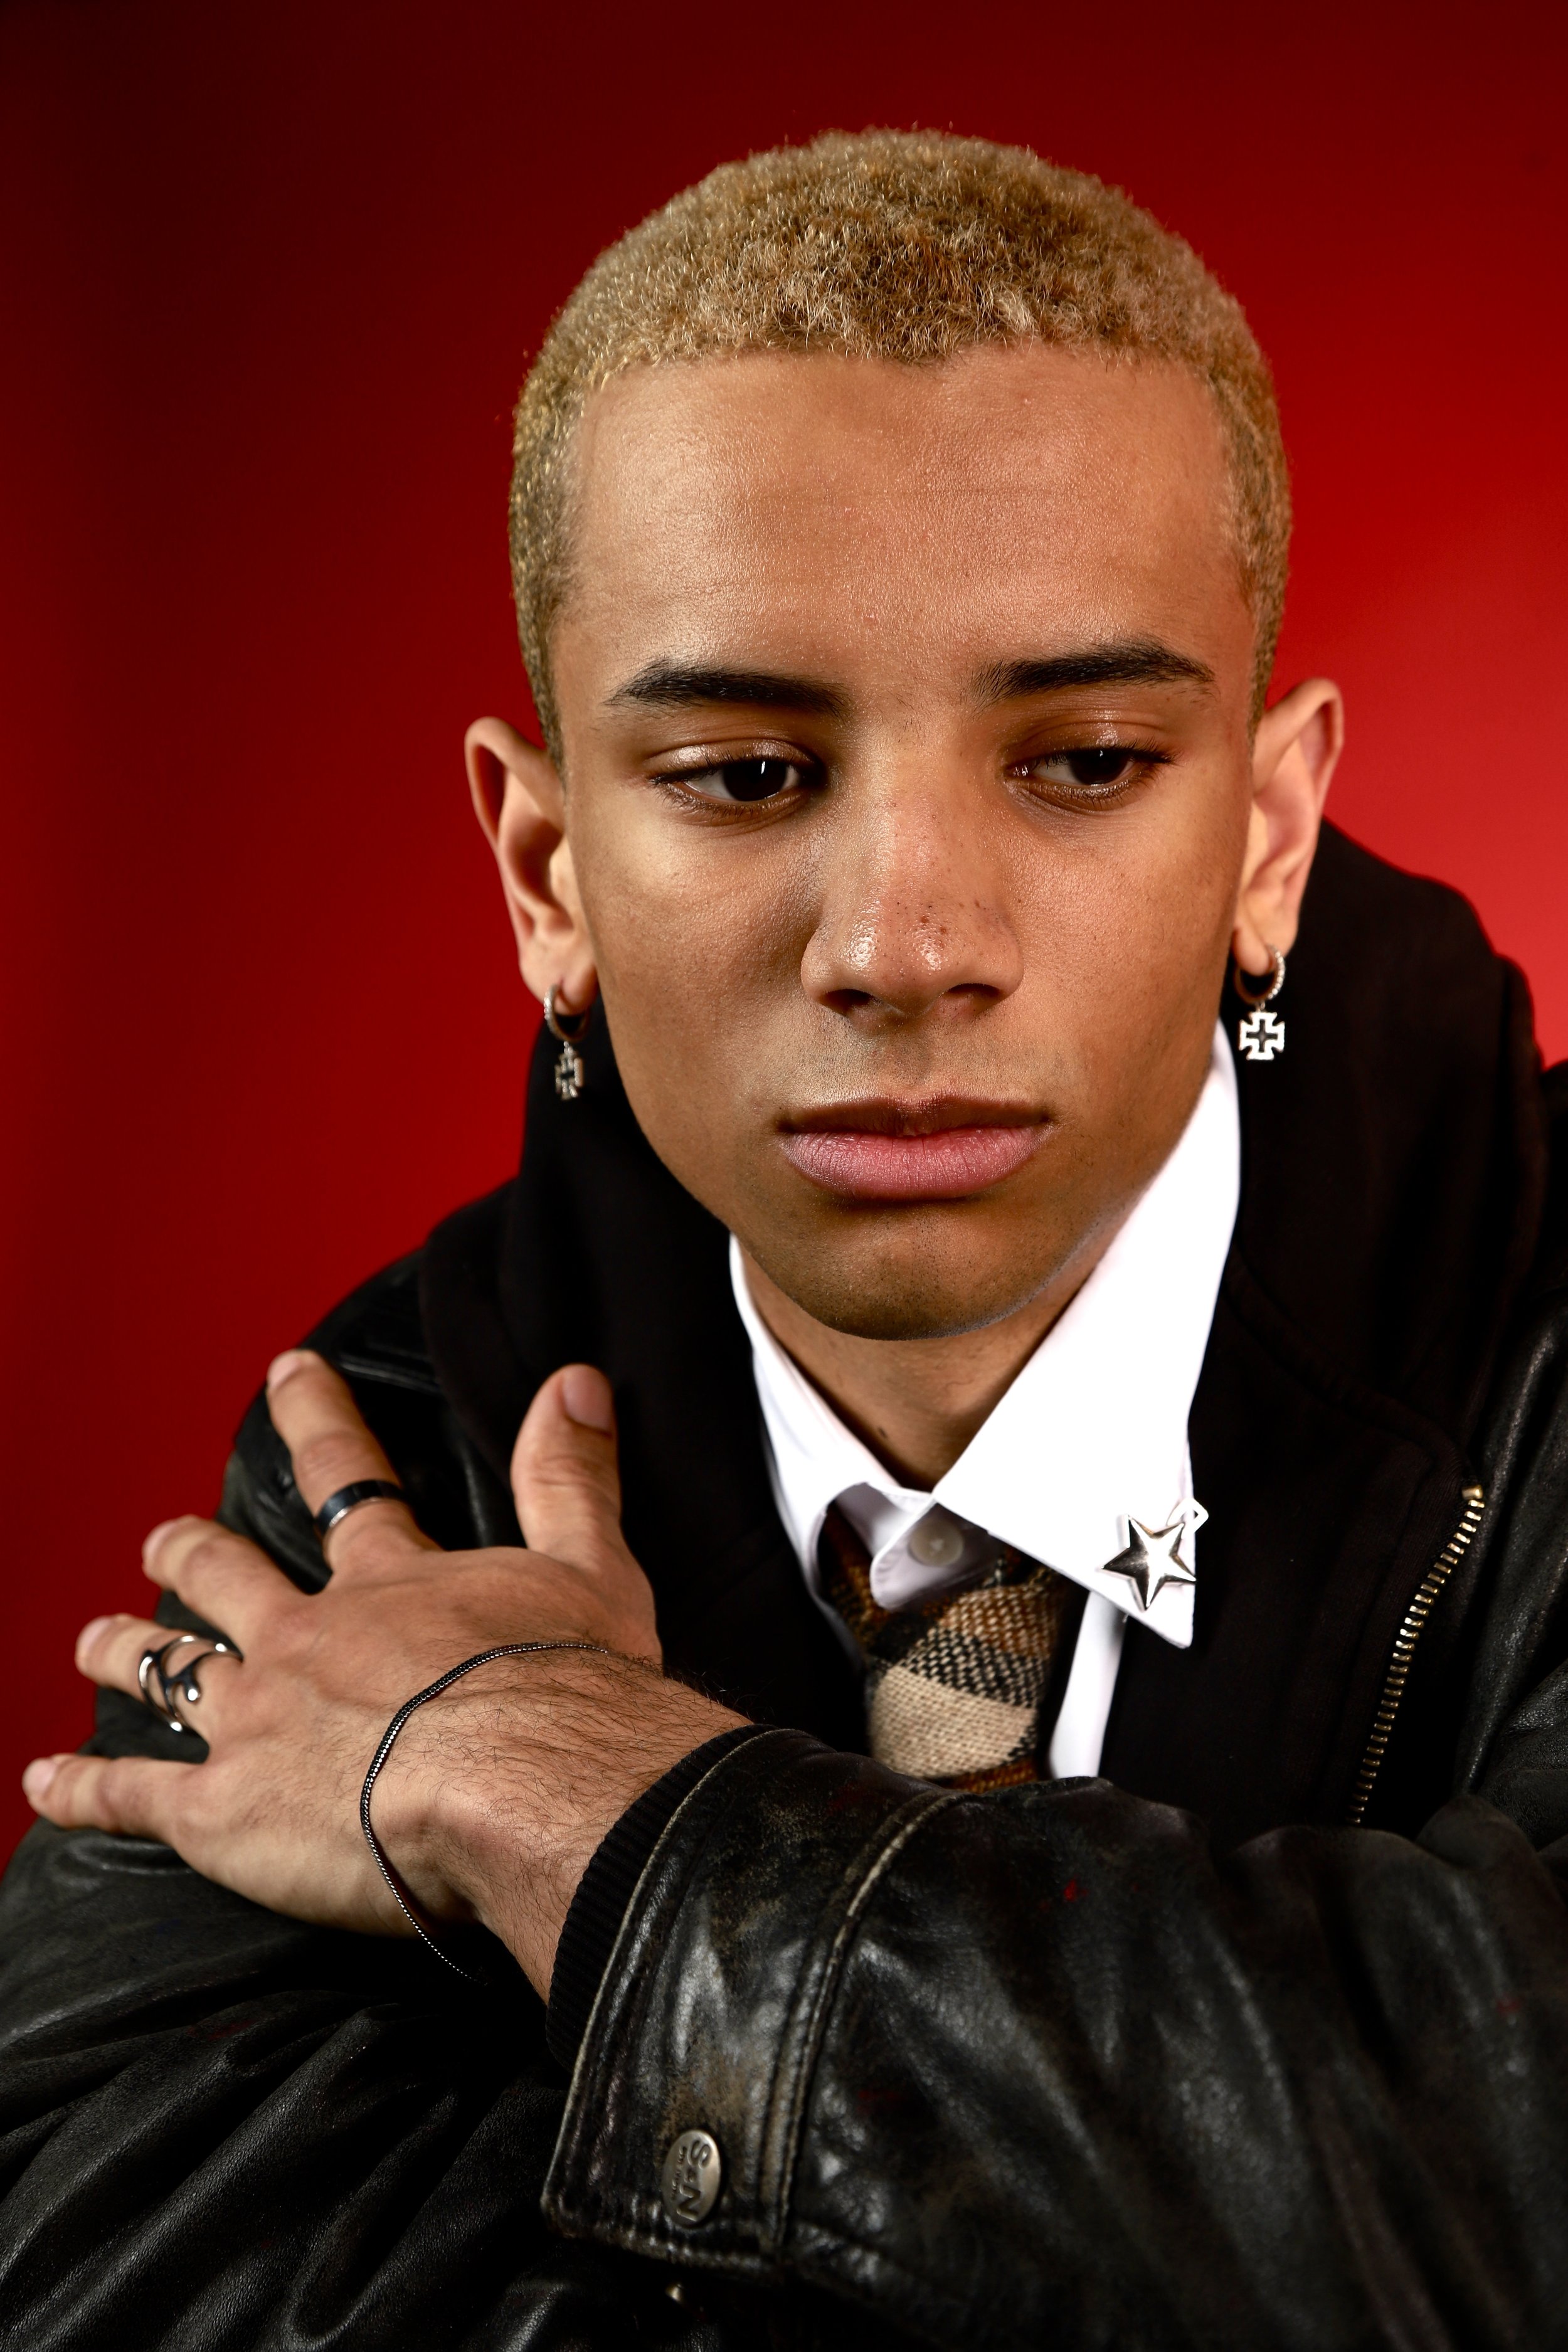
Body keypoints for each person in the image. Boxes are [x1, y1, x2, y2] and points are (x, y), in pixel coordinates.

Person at [4, 129, 1567, 2351]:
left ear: (1269, 829)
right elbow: (98, 2276)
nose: (906, 946)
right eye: (744, 776)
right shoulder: (391, 1452)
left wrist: (567, 1798)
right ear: (546, 873)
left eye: (1088, 758)